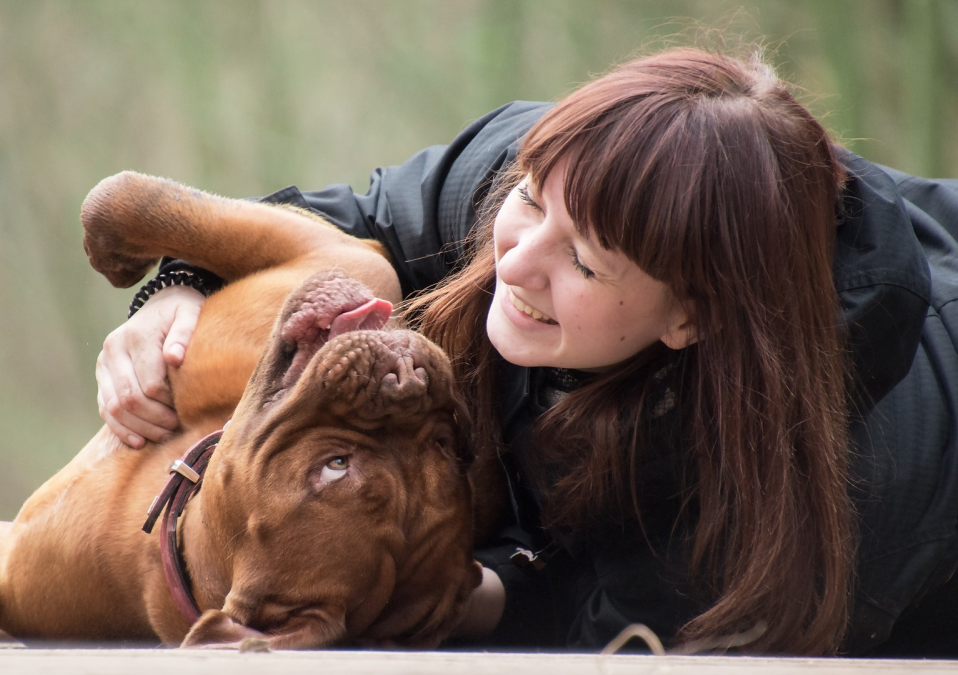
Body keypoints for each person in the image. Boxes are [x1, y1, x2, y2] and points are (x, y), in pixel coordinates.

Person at [94, 47, 958, 656]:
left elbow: (597, 617)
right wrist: (179, 284)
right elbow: (361, 221)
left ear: (693, 318)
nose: (516, 256)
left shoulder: (783, 514)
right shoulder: (557, 172)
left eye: (582, 260)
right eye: (531, 199)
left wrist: (463, 592)